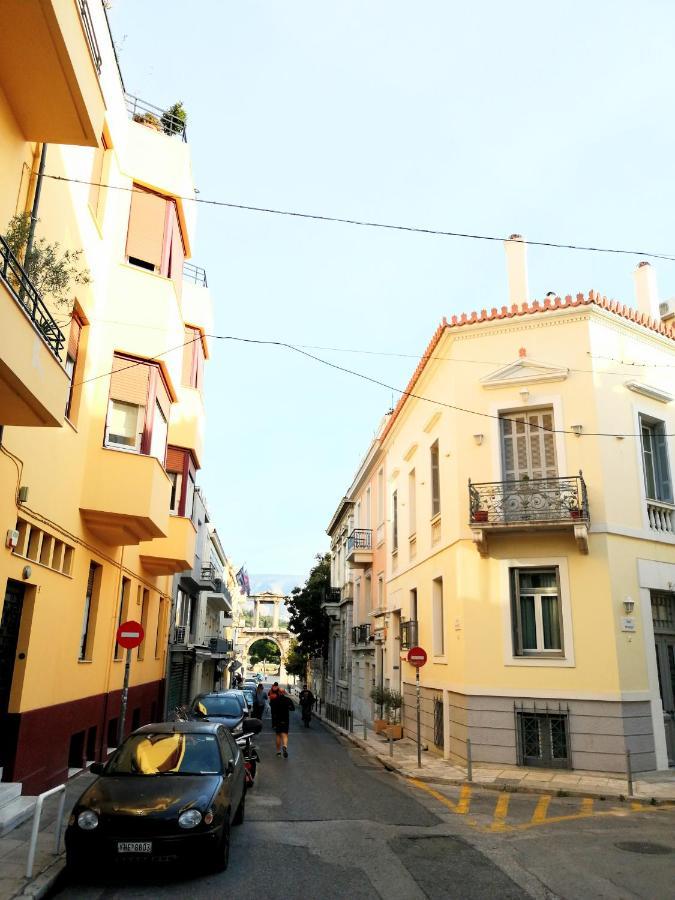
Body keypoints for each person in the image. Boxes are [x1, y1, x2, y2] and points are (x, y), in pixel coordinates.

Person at [268, 687, 295, 757]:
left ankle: (278, 752)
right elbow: (293, 709)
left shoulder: (275, 700)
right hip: (285, 719)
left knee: (278, 735)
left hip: (277, 719)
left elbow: (272, 708)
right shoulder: (288, 700)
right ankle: (285, 746)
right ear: (284, 693)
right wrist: (288, 707)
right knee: (285, 734)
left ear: (279, 692)